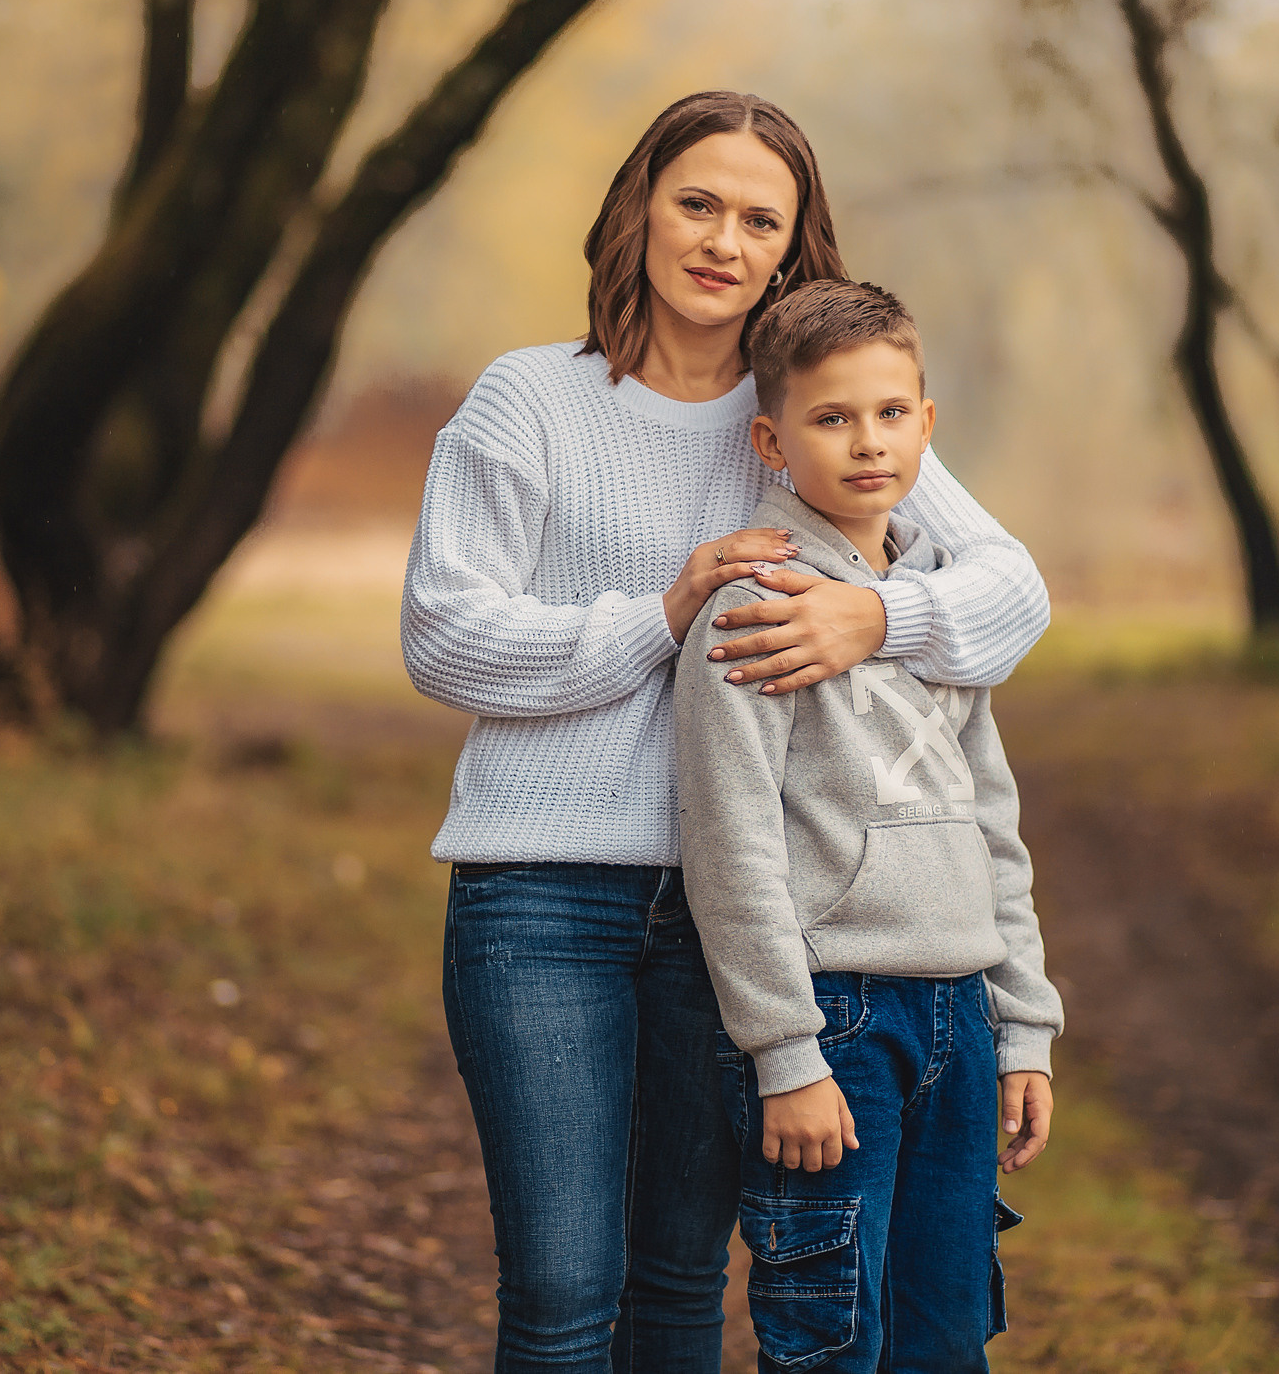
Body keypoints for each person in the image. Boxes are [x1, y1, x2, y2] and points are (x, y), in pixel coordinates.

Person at [400, 91, 1050, 1373]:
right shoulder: (529, 401)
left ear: (795, 240)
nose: (724, 240)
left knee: (684, 1282)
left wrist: (876, 614)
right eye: (697, 203)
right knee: (561, 1292)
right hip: (542, 899)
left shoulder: (808, 409)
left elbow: (1011, 591)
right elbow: (444, 635)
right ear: (637, 207)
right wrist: (662, 612)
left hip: (738, 917)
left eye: (763, 218)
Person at [673, 279, 1061, 1374]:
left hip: (960, 1016)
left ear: (926, 428)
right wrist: (786, 1057)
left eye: (890, 414)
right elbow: (731, 844)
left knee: (944, 1339)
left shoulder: (942, 603)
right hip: (833, 1023)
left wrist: (1023, 1025)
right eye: (830, 418)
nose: (866, 443)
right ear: (770, 437)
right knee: (832, 1337)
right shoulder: (754, 605)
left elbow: (993, 823)